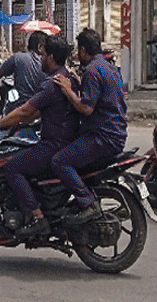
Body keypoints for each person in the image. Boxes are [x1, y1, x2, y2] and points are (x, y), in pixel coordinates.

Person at [0, 34, 79, 243]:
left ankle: (38, 218)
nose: (40, 59)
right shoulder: (67, 77)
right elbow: (35, 113)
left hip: (53, 144)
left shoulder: (51, 84)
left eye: (43, 55)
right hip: (63, 140)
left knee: (12, 166)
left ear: (50, 57)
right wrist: (16, 122)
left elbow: (26, 110)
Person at [51, 28, 128, 226]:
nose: (78, 55)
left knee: (59, 161)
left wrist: (68, 91)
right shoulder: (109, 68)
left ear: (84, 50)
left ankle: (88, 203)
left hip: (102, 137)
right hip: (117, 133)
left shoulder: (92, 71)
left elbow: (86, 108)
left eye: (79, 50)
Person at [0, 30, 49, 111]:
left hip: (19, 109)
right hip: (39, 110)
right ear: (40, 47)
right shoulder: (49, 63)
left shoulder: (18, 58)